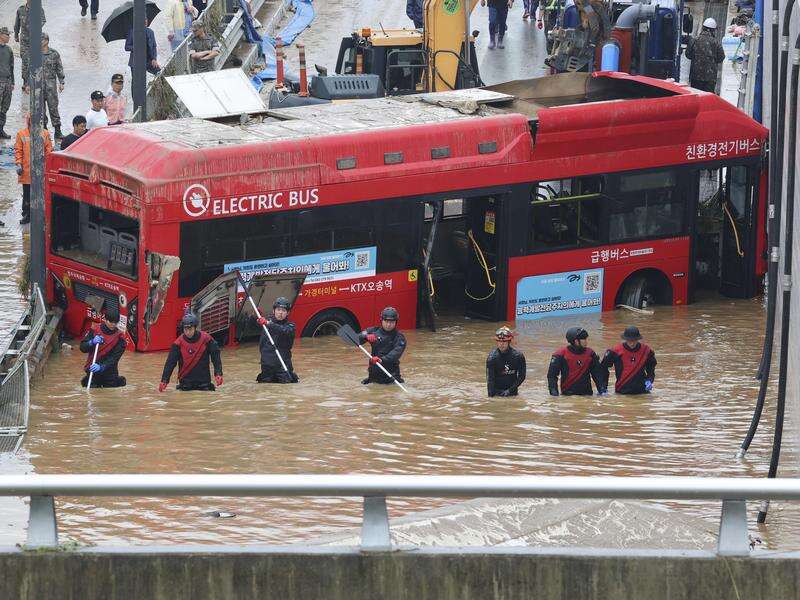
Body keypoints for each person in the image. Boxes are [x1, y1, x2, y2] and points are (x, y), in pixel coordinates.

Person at [159, 313, 223, 391]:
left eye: (190, 329)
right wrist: (164, 380)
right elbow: (170, 363)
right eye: (185, 329)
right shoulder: (178, 343)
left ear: (195, 328)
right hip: (185, 384)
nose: (188, 332)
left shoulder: (206, 339)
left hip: (204, 383)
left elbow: (215, 356)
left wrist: (218, 373)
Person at [14, 113, 53, 224]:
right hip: (27, 171)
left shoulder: (45, 134)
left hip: (41, 171)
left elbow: (49, 151)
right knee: (27, 194)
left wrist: (48, 167)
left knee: (41, 193)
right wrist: (18, 164)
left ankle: (41, 214)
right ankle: (27, 214)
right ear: (29, 121)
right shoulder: (21, 134)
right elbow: (18, 151)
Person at [599, 326, 657, 395]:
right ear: (625, 339)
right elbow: (603, 368)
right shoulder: (615, 351)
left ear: (638, 339)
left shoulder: (646, 351)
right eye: (629, 341)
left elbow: (651, 368)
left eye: (634, 340)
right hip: (622, 392)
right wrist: (603, 388)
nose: (632, 343)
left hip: (642, 392)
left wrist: (649, 380)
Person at [547, 327, 604, 396]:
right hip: (568, 396)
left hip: (587, 395)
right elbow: (552, 376)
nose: (586, 341)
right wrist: (554, 395)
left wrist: (602, 391)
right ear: (576, 341)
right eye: (584, 339)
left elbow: (597, 374)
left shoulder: (590, 353)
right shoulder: (560, 354)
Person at [79, 308, 127, 388]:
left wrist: (101, 367)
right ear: (105, 319)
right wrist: (91, 342)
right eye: (110, 322)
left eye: (115, 322)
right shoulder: (94, 330)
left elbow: (114, 358)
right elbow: (82, 348)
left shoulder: (120, 338)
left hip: (109, 373)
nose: (113, 325)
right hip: (93, 370)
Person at [359, 307, 406, 385]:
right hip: (374, 375)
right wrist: (365, 337)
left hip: (391, 376)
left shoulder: (399, 337)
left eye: (392, 322)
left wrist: (381, 360)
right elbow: (356, 339)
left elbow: (395, 353)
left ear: (396, 322)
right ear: (381, 320)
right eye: (386, 321)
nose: (388, 324)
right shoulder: (373, 331)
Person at [256, 297, 299, 384]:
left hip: (282, 366)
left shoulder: (290, 326)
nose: (280, 313)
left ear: (287, 313)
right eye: (278, 310)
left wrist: (268, 323)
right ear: (273, 311)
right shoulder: (266, 323)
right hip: (267, 366)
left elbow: (282, 331)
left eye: (283, 311)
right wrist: (254, 316)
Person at [685, 18, 725, 93]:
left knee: (696, 96)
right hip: (710, 79)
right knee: (707, 99)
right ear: (712, 30)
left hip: (695, 76)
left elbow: (688, 55)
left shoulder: (694, 40)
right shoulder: (716, 42)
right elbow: (721, 58)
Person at [486, 326, 526, 397]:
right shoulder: (492, 358)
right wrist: (490, 398)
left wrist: (510, 390)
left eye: (504, 341)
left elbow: (522, 376)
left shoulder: (518, 356)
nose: (501, 344)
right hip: (497, 393)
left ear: (509, 341)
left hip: (512, 392)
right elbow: (490, 380)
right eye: (499, 341)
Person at [14, 0, 46, 89]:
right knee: (25, 62)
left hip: (35, 40)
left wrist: (35, 26)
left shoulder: (39, 9)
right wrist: (16, 35)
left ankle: (36, 80)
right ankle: (26, 82)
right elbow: (17, 24)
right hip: (24, 41)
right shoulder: (20, 10)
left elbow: (43, 20)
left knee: (36, 61)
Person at [40, 33, 65, 139]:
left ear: (46, 41)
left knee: (53, 108)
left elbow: (59, 68)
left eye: (42, 39)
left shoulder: (54, 54)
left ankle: (57, 131)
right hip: (39, 86)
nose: (40, 41)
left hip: (51, 86)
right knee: (41, 109)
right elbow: (29, 69)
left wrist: (62, 82)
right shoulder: (35, 53)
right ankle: (44, 130)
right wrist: (27, 83)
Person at [0, 27, 13, 140]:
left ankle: (1, 129)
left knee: (5, 107)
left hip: (7, 82)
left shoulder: (9, 50)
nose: (9, 37)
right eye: (7, 35)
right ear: (1, 35)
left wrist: (12, 82)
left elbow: (11, 66)